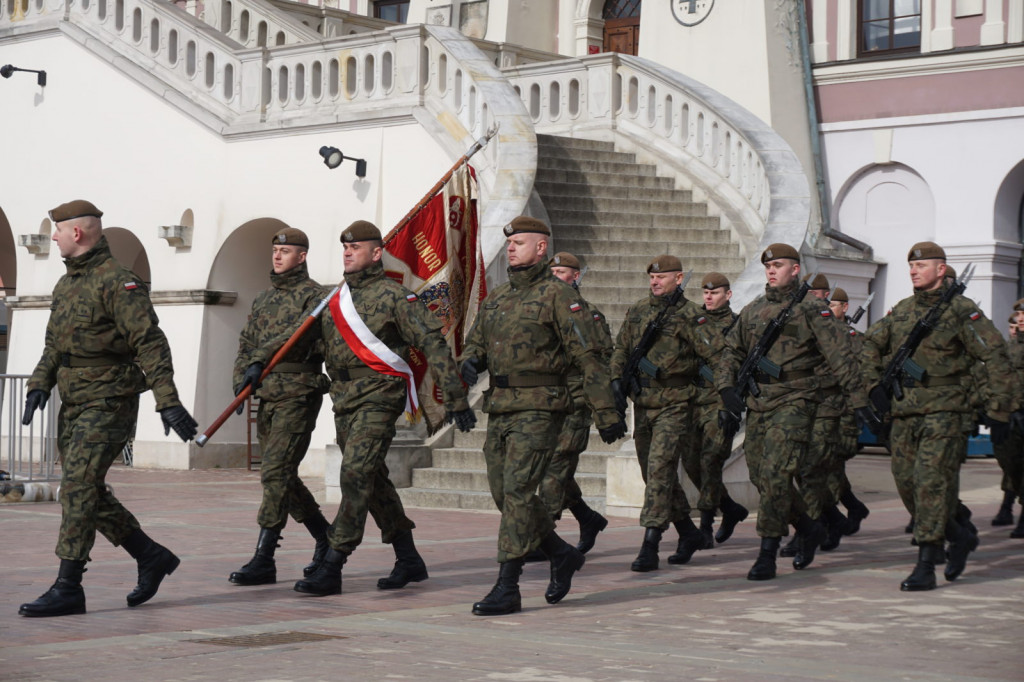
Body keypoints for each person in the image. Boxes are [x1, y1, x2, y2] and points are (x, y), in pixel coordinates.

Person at [19, 199, 198, 617]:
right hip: (74, 401)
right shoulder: (66, 285)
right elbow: (54, 345)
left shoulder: (118, 282)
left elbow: (150, 343)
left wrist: (167, 402)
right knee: (85, 489)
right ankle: (149, 555)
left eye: (57, 231)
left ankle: (69, 586)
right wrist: (39, 384)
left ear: (76, 233)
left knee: (79, 486)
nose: (55, 238)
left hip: (109, 401)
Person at [294, 220, 476, 597]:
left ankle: (334, 560)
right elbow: (305, 344)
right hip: (343, 397)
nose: (347, 252)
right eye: (345, 247)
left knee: (356, 472)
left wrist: (456, 397)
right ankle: (408, 557)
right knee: (372, 479)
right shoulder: (333, 300)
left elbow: (432, 344)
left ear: (376, 253)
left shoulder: (396, 297)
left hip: (380, 394)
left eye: (356, 247)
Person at [460, 216, 626, 616]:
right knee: (504, 494)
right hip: (500, 406)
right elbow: (475, 345)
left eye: (519, 242)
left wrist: (606, 411)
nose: (512, 248)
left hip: (541, 408)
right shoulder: (497, 298)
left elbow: (587, 356)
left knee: (517, 491)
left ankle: (507, 586)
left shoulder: (559, 296)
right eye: (510, 242)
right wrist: (467, 365)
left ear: (541, 248)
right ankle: (560, 552)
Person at [862, 242, 1015, 590]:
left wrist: (999, 410)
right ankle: (958, 533)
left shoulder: (962, 311)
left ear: (941, 269)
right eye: (911, 266)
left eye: (922, 265)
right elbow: (870, 344)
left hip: (946, 410)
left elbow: (995, 357)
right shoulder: (901, 311)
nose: (914, 270)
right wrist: (873, 386)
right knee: (907, 485)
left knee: (931, 482)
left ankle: (927, 561)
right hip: (905, 411)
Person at [715, 243, 872, 581]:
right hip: (760, 402)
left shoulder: (812, 310)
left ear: (795, 269)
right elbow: (731, 352)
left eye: (780, 265)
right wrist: (726, 392)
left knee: (775, 476)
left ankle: (767, 552)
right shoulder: (754, 310)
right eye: (768, 266)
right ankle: (807, 525)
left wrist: (858, 402)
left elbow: (841, 356)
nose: (772, 270)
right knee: (760, 476)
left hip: (798, 400)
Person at [228, 227, 333, 587]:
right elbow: (246, 341)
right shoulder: (262, 299)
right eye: (275, 249)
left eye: (285, 250)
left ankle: (264, 557)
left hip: (298, 393)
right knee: (280, 476)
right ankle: (325, 535)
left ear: (301, 256)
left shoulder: (316, 297)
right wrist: (241, 378)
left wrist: (259, 358)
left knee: (274, 472)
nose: (277, 255)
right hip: (268, 393)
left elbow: (295, 333)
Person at [611, 255, 715, 572]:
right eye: (652, 277)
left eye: (662, 277)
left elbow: (718, 354)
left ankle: (650, 544)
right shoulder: (639, 310)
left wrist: (719, 393)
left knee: (659, 469)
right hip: (643, 403)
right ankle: (688, 532)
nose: (655, 282)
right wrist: (616, 379)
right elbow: (622, 349)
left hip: (676, 403)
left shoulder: (691, 315)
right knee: (653, 473)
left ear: (679, 278)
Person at [537, 252, 611, 554]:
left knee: (556, 466)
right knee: (549, 466)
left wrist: (602, 406)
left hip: (576, 402)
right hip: (546, 401)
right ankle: (587, 517)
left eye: (562, 271)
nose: (556, 276)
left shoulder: (588, 314)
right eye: (552, 270)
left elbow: (601, 359)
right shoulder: (539, 311)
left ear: (576, 277)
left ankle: (541, 537)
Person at [680, 272, 748, 547]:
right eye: (705, 293)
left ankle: (705, 525)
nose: (708, 297)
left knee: (710, 463)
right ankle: (730, 508)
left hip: (719, 403)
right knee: (691, 463)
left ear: (728, 295)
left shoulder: (736, 326)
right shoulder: (693, 321)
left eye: (715, 292)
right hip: (692, 401)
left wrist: (731, 405)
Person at [826, 287, 871, 535]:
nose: (828, 309)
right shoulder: (818, 334)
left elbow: (861, 376)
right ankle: (854, 507)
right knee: (826, 466)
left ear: (845, 307)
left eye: (833, 304)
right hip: (822, 408)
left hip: (845, 410)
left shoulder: (856, 337)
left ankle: (831, 525)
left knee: (832, 466)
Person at [990, 303, 1024, 535]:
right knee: (1010, 463)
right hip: (1010, 416)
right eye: (1019, 314)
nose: (1020, 319)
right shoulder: (1010, 347)